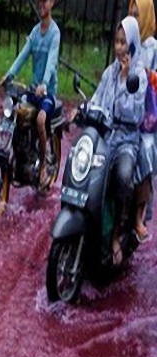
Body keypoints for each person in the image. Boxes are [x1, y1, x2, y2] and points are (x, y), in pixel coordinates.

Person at [81, 17, 147, 263]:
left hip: (127, 142)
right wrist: (83, 109)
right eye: (117, 42)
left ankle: (117, 233)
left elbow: (135, 114)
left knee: (122, 176)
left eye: (124, 42)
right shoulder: (110, 72)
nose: (119, 48)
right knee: (86, 169)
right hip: (106, 137)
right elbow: (98, 98)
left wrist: (127, 76)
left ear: (132, 44)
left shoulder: (137, 75)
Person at [1, 0, 60, 191]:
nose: (41, 4)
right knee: (16, 112)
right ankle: (21, 159)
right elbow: (23, 55)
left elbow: (51, 61)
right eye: (39, 1)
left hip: (47, 92)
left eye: (46, 1)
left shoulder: (55, 33)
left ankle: (42, 166)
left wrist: (44, 83)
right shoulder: (35, 32)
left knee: (41, 120)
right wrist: (9, 74)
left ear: (52, 3)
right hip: (33, 90)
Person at [131, 0, 155, 241]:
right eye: (131, 14)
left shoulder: (153, 48)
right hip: (126, 113)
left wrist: (152, 76)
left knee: (145, 150)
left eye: (138, 15)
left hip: (146, 118)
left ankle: (138, 214)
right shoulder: (127, 42)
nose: (134, 19)